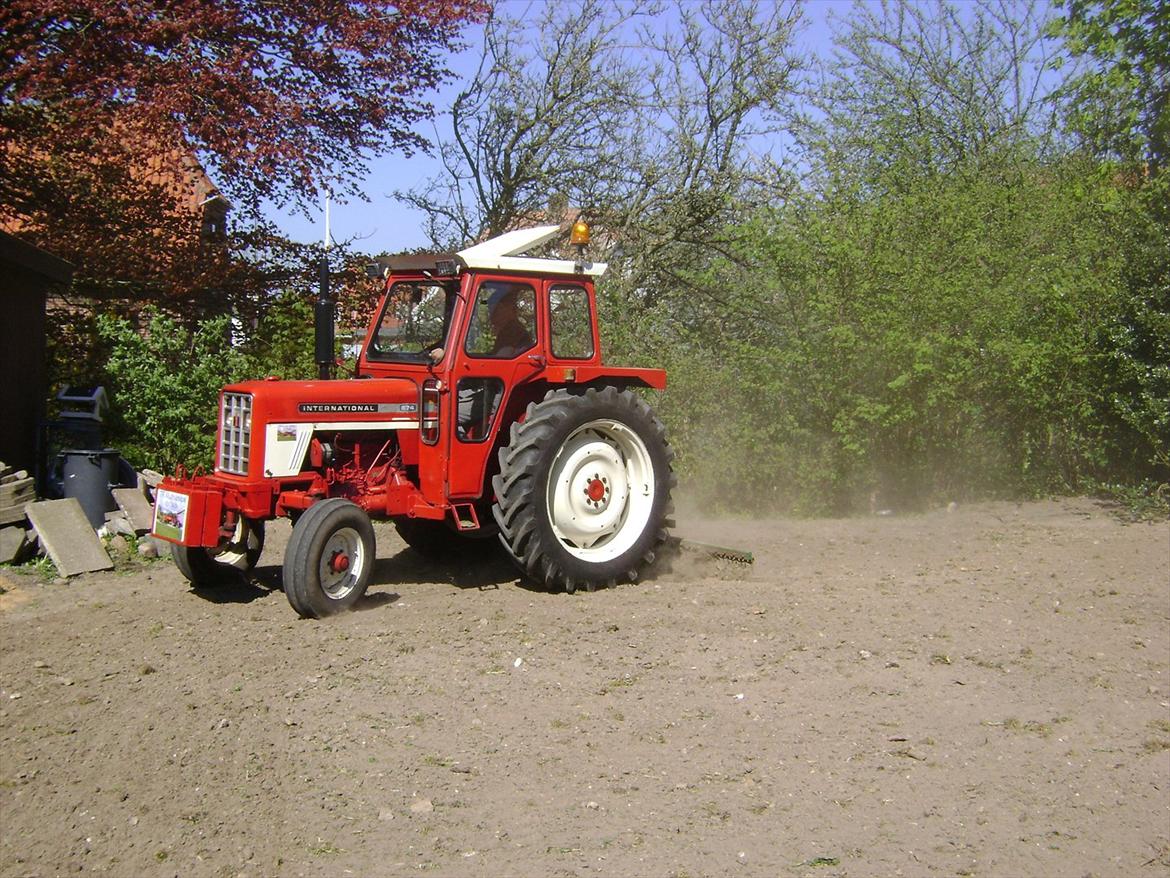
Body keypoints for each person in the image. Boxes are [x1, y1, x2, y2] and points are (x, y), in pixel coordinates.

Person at [486, 286, 533, 357]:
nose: (491, 315)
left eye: (496, 309)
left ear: (509, 308)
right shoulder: (505, 331)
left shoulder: (513, 332)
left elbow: (500, 360)